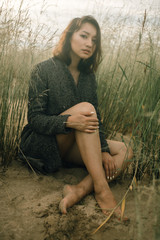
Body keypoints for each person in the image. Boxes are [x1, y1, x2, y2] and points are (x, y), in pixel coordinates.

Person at [19, 15, 133, 217]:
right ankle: (102, 190)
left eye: (94, 40)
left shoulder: (88, 77)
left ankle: (79, 189)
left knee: (125, 150)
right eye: (84, 36)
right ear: (69, 36)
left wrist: (104, 149)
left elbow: (95, 117)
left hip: (75, 142)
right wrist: (69, 121)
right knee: (85, 108)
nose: (90, 43)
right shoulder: (43, 70)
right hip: (41, 144)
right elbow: (35, 119)